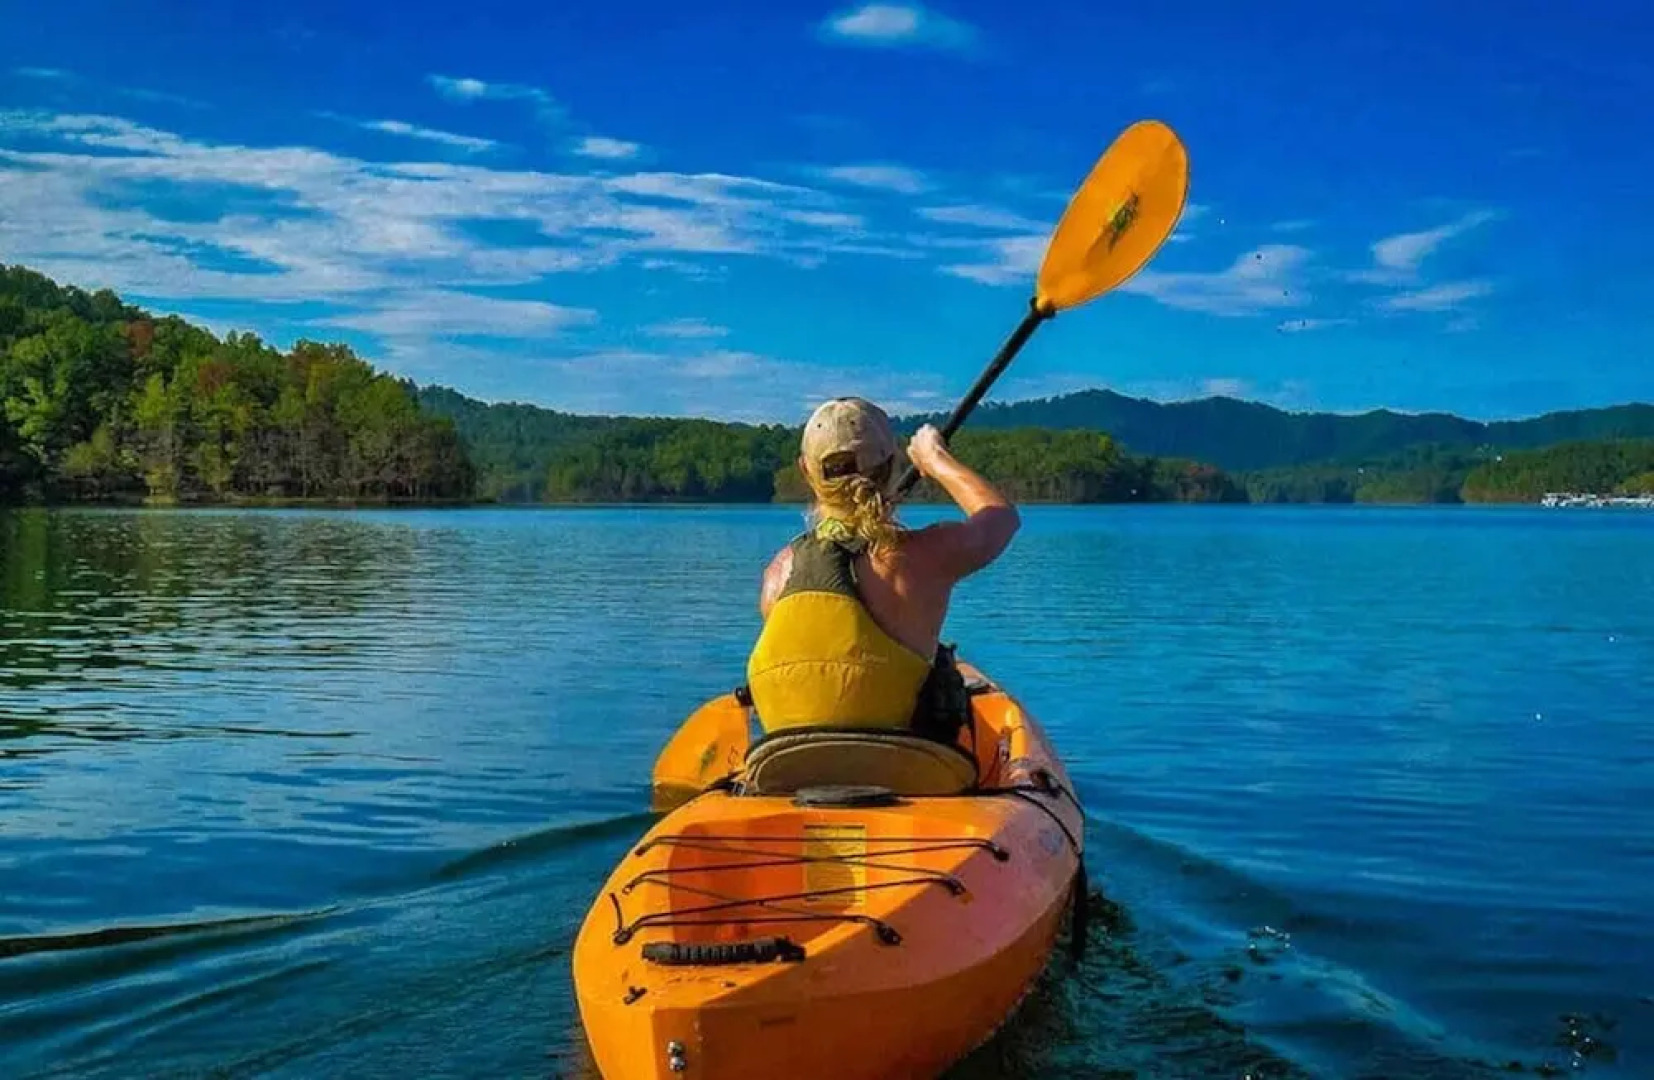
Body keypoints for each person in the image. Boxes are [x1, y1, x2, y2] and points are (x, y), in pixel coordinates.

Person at [744, 396, 1020, 744]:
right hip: (907, 769)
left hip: (792, 767)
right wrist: (936, 460)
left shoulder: (777, 575)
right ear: (892, 464)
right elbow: (1001, 518)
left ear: (805, 470)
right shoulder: (924, 556)